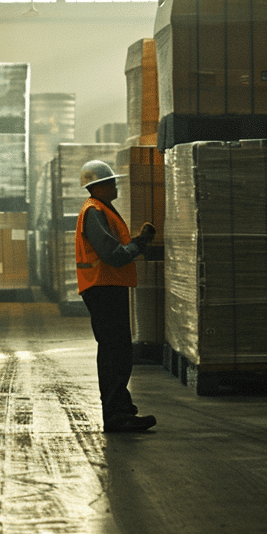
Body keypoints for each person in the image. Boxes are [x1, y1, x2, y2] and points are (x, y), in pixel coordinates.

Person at [75, 159, 158, 433]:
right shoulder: (94, 211)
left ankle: (122, 411)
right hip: (102, 288)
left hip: (108, 287)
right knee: (114, 352)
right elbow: (112, 255)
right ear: (97, 186)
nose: (116, 185)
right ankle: (116, 414)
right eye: (111, 182)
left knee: (119, 351)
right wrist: (138, 244)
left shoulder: (103, 210)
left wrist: (137, 242)